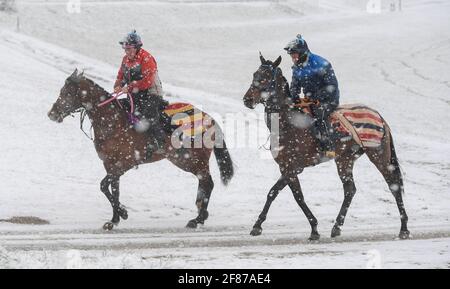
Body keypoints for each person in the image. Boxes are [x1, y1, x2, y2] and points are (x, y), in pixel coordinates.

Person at [284, 34, 340, 157]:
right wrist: (293, 97)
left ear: (302, 52)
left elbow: (332, 86)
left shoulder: (322, 64)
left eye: (294, 55)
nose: (293, 58)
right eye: (291, 56)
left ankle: (328, 148)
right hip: (310, 99)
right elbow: (295, 85)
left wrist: (316, 98)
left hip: (329, 99)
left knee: (319, 114)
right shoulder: (297, 67)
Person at [114, 30, 167, 155]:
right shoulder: (125, 59)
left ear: (137, 47)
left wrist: (130, 87)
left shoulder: (147, 58)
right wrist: (118, 85)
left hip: (151, 92)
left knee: (148, 114)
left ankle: (158, 143)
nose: (127, 52)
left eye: (129, 49)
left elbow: (147, 81)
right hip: (136, 93)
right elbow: (120, 75)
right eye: (125, 49)